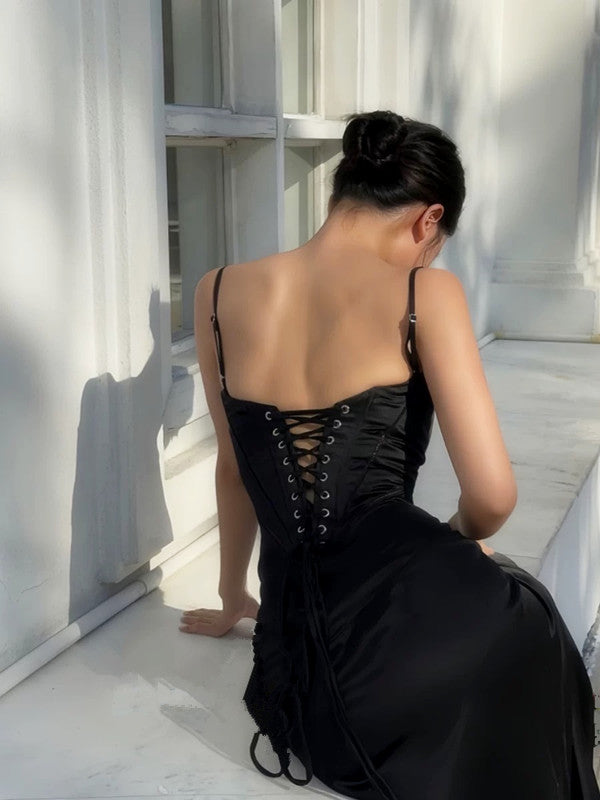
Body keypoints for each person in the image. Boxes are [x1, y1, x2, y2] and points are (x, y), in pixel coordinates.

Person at [181, 110, 600, 799]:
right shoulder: (423, 292)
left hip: (295, 671)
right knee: (531, 626)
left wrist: (233, 597)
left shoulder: (216, 291)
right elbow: (493, 498)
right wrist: (455, 540)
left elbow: (233, 470)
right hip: (408, 658)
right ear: (428, 220)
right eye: (435, 246)